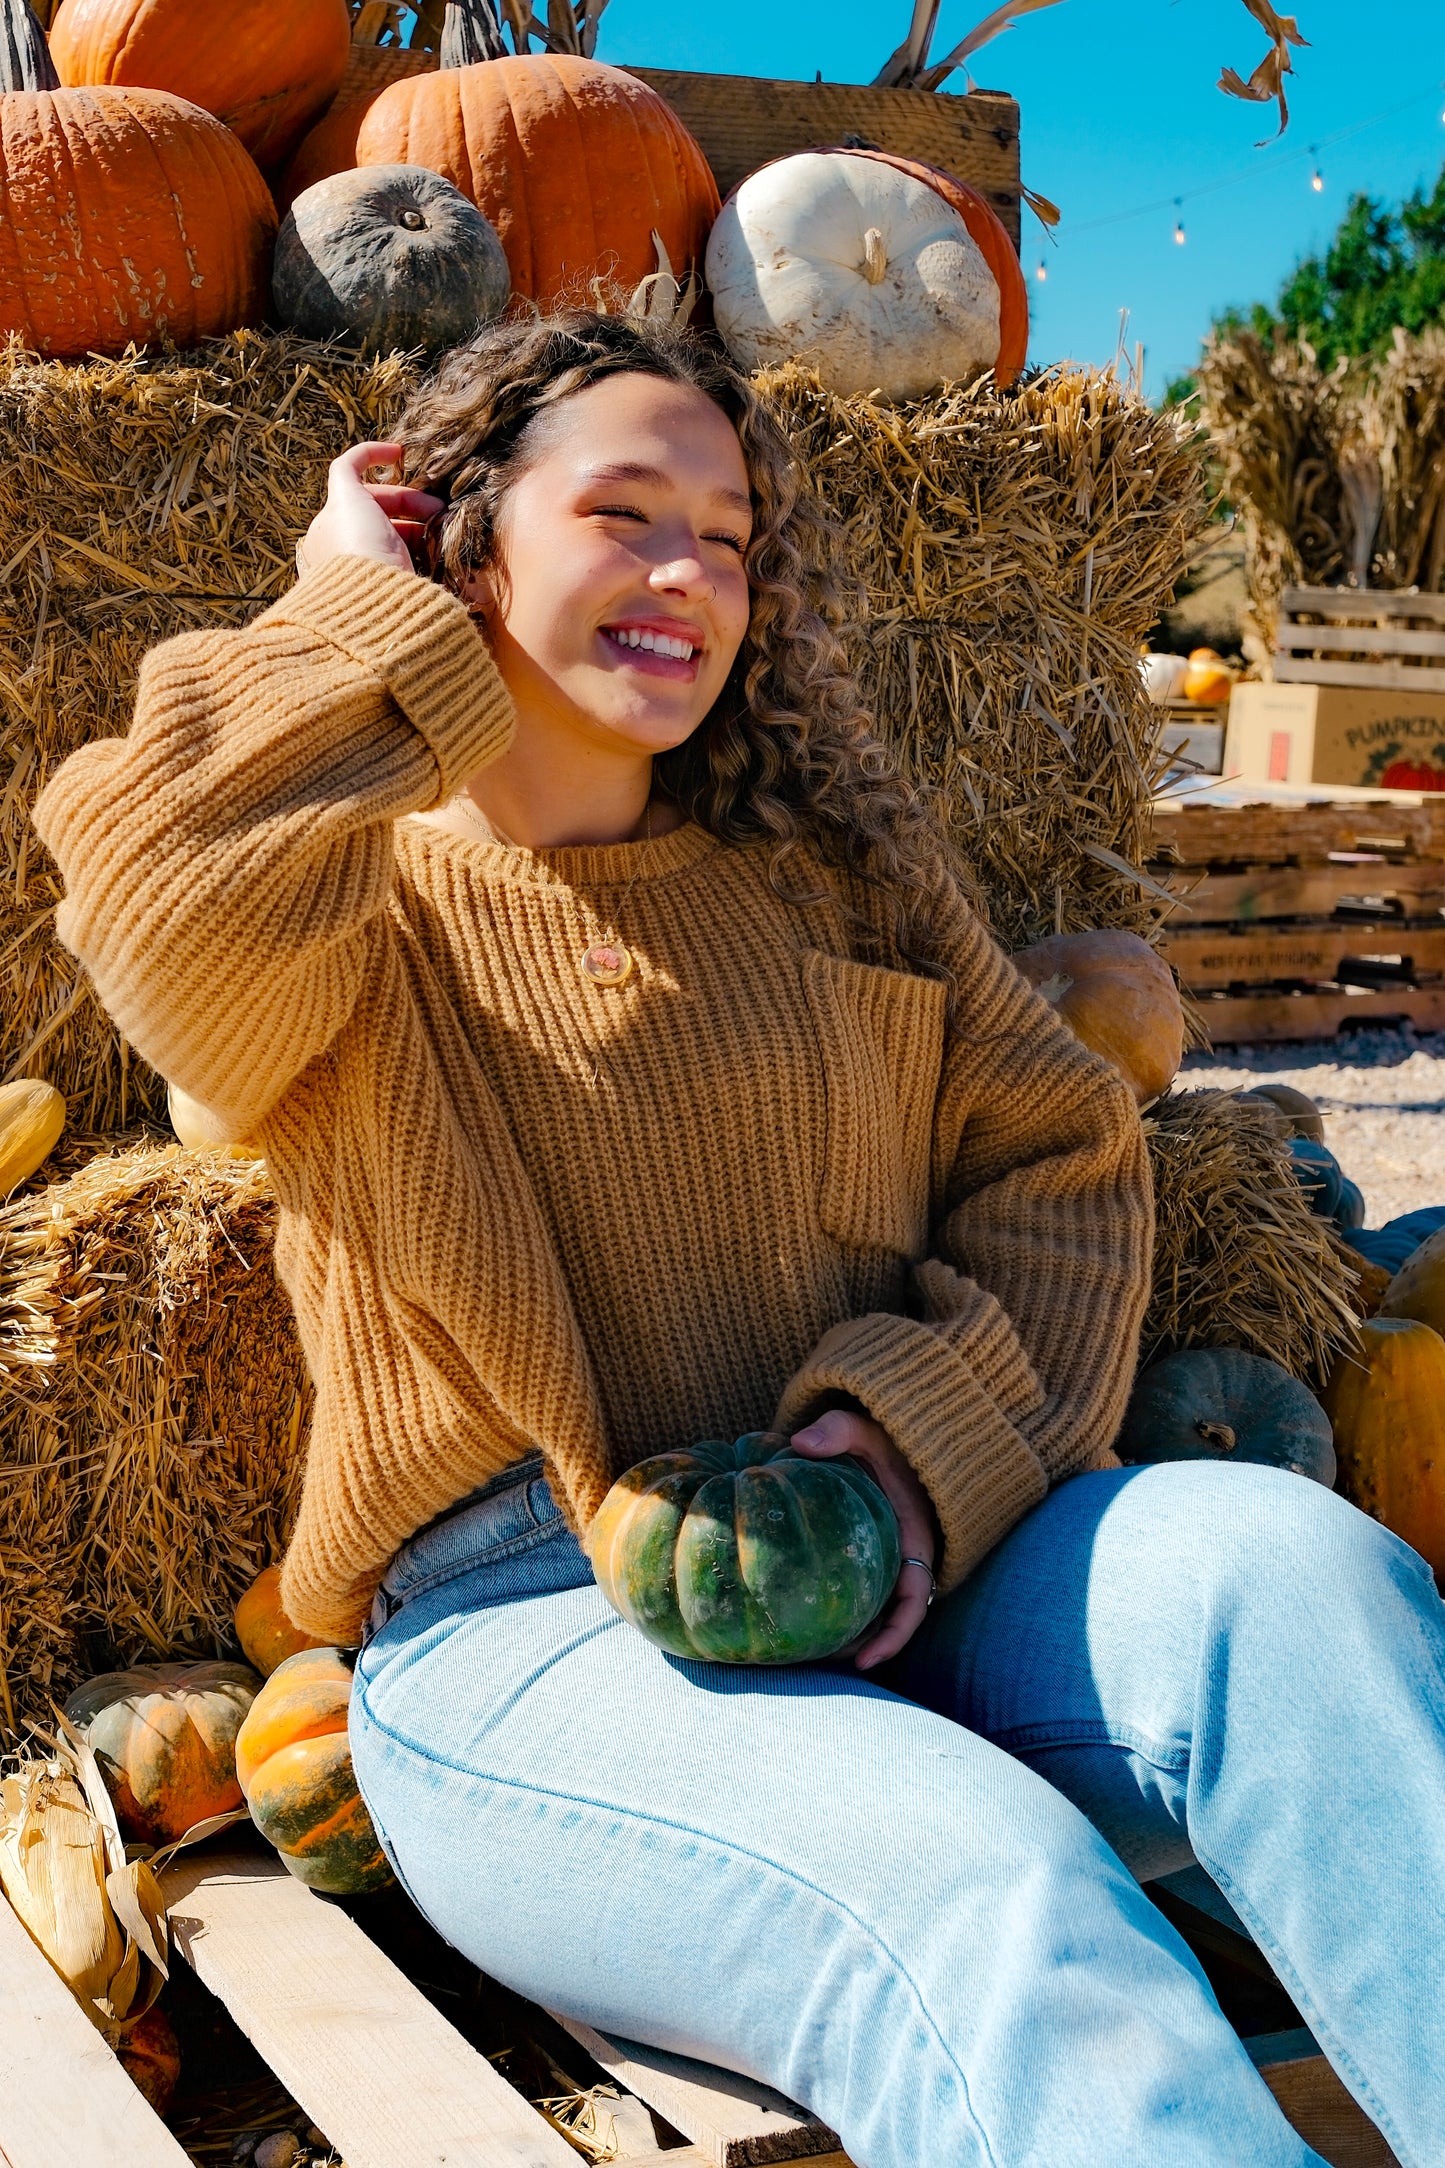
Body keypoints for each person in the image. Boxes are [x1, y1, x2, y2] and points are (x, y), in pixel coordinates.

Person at [34, 312, 1444, 2168]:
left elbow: (1061, 1158)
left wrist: (914, 1447)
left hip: (935, 1564)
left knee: (1295, 1576)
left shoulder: (831, 870)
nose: (689, 570)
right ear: (460, 541)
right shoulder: (339, 923)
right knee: (989, 1883)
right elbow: (138, 891)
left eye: (728, 533)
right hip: (525, 1644)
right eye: (622, 512)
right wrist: (340, 613)